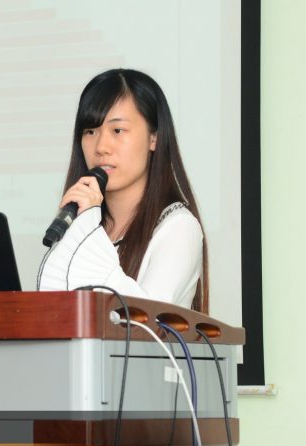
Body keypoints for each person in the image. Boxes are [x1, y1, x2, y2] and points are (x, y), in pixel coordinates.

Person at [37, 69, 208, 312]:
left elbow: (143, 321)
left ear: (154, 138)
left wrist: (88, 232)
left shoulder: (179, 227)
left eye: (117, 130)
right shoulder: (81, 223)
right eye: (90, 131)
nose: (101, 147)